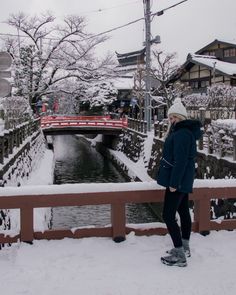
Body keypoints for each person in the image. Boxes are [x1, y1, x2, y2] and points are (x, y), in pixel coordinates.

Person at [156, 97, 202, 267]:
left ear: (181, 118)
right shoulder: (184, 132)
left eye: (174, 117)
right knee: (182, 211)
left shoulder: (181, 134)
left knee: (168, 215)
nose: (171, 120)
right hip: (184, 180)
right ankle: (185, 247)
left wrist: (174, 183)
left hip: (178, 181)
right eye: (170, 117)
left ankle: (179, 255)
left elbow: (180, 161)